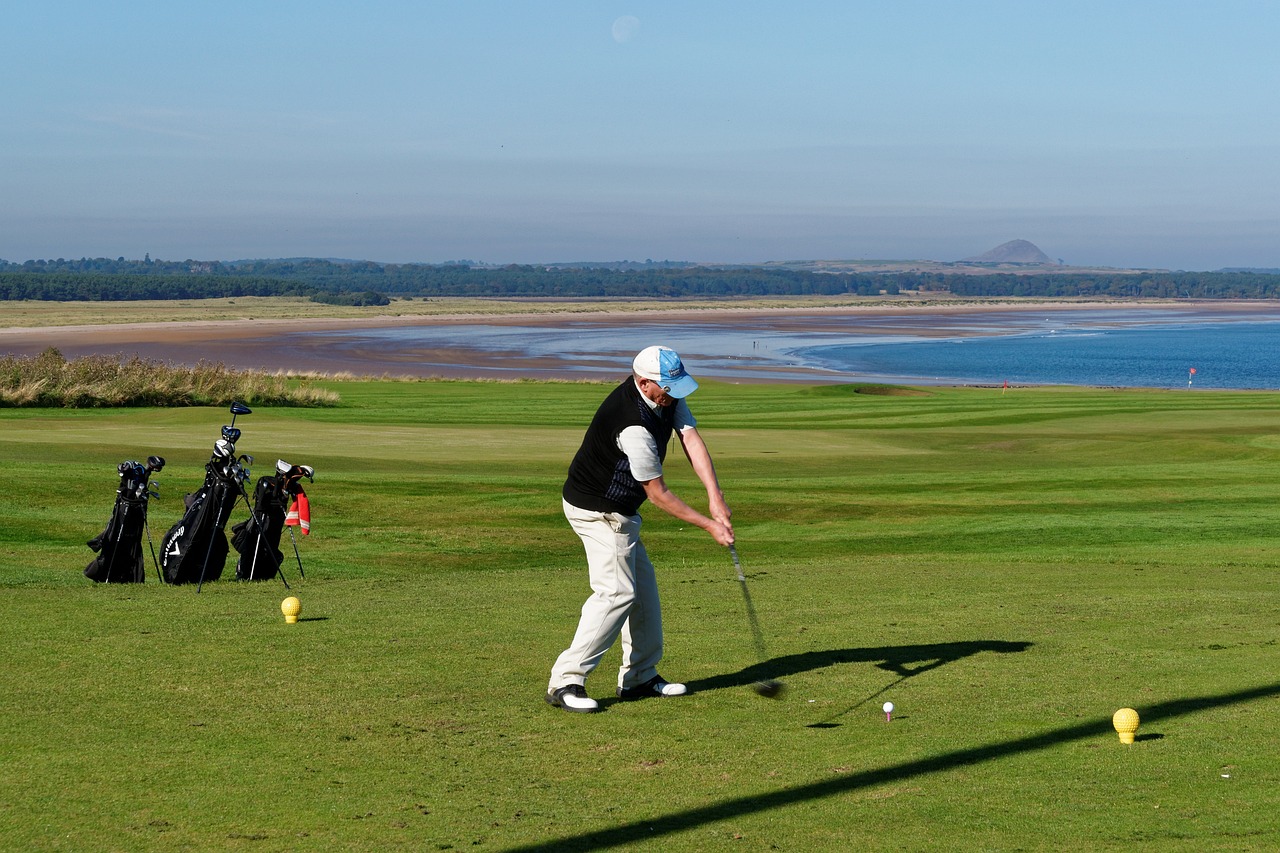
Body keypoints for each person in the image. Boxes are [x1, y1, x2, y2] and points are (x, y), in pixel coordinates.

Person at [546, 345, 735, 713]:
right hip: (597, 510)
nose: (673, 395)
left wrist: (716, 496)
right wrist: (709, 524)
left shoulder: (665, 398)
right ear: (644, 383)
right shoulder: (633, 425)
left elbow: (690, 437)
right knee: (617, 593)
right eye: (667, 388)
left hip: (623, 510)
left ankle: (639, 677)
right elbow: (658, 493)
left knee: (643, 593)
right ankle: (566, 680)